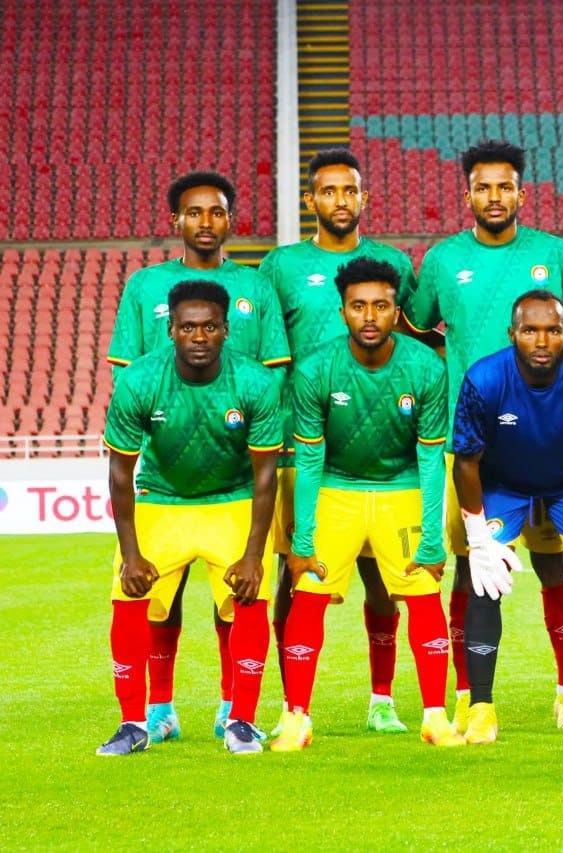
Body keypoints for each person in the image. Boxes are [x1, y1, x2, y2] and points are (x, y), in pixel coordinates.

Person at [405, 138, 563, 734]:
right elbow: (414, 326)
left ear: (521, 193)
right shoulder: (442, 260)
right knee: (472, 569)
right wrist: (458, 360)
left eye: (504, 187)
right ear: (467, 195)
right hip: (475, 445)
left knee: (556, 566)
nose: (494, 196)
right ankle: (469, 694)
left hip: (551, 442)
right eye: (483, 187)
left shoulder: (551, 252)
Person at [106, 170, 290, 744]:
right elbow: (129, 390)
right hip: (163, 486)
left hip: (234, 480)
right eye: (194, 212)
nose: (205, 222)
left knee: (239, 594)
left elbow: (271, 375)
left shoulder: (255, 288)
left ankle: (236, 713)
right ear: (175, 220)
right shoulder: (145, 288)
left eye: (216, 211)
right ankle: (151, 713)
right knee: (152, 598)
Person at [259, 148, 420, 735]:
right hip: (301, 446)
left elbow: (417, 340)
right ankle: (292, 704)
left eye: (349, 190)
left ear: (364, 197)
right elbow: (265, 352)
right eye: (328, 191)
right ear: (311, 200)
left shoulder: (392, 263)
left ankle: (383, 700)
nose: (340, 201)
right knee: (296, 573)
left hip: (383, 448)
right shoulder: (280, 267)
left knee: (383, 579)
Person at [270, 258, 456, 751]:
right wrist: (302, 539)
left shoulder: (425, 366)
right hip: (336, 491)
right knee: (308, 596)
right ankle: (296, 717)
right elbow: (310, 460)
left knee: (423, 595)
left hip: (402, 491)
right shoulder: (316, 368)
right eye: (358, 306)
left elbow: (431, 460)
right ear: (342, 312)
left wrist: (433, 537)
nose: (369, 316)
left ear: (396, 311)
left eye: (380, 306)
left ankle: (435, 717)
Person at [453, 290, 563, 744]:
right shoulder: (483, 379)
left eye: (552, 330)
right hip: (502, 483)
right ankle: (480, 709)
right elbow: (466, 464)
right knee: (484, 578)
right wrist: (478, 538)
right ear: (512, 333)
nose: (541, 340)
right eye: (530, 330)